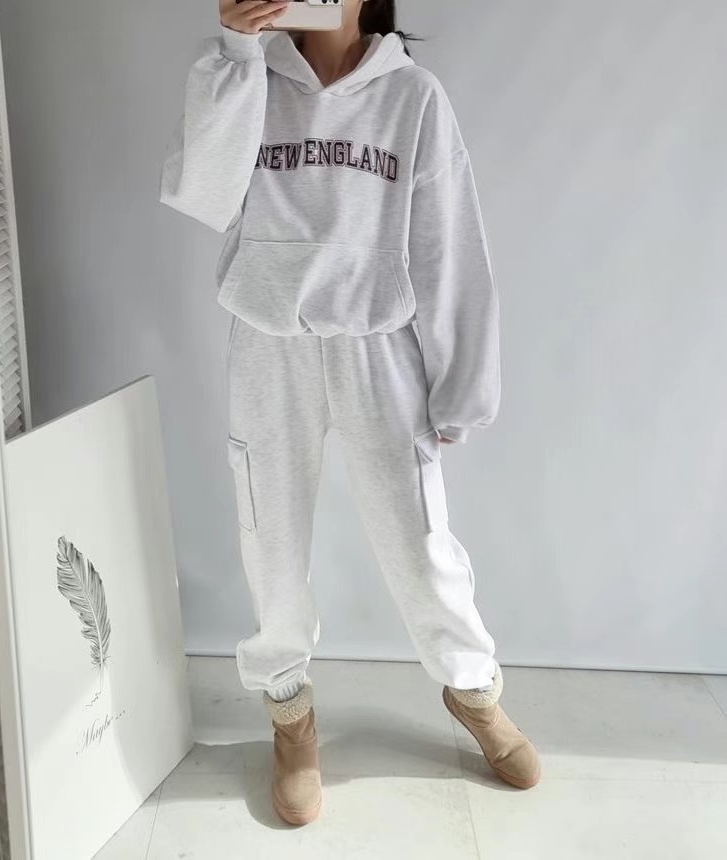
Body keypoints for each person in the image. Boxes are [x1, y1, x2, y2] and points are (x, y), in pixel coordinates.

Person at [159, 0, 540, 825]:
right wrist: (237, 49)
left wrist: (463, 383)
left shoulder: (413, 96)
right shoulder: (247, 76)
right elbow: (203, 194)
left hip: (380, 342)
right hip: (269, 342)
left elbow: (449, 241)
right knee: (269, 537)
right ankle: (289, 714)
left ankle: (472, 688)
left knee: (420, 540)